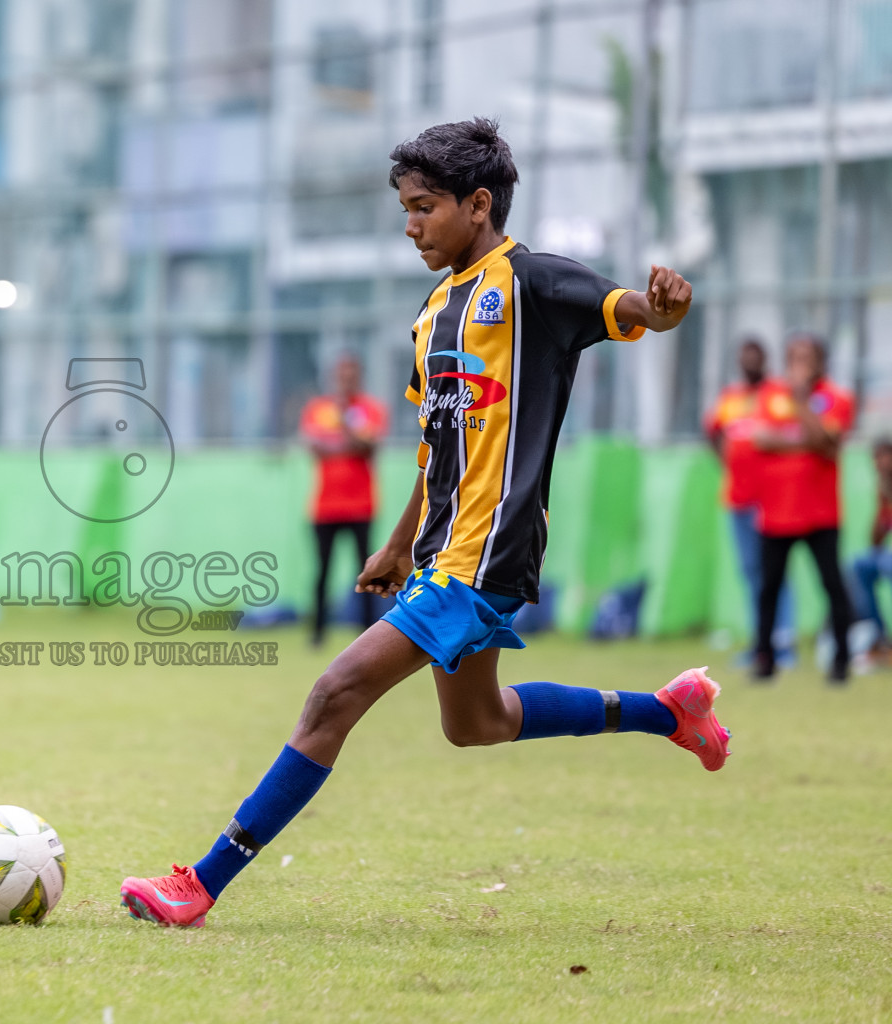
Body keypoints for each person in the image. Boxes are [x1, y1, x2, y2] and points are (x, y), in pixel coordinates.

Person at [119, 118, 728, 929]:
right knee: (478, 723)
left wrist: (664, 308)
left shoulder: (538, 285)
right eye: (405, 208)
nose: (410, 225)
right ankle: (669, 712)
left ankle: (200, 882)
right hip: (442, 552)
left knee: (333, 694)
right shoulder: (435, 311)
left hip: (487, 555)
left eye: (425, 208)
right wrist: (403, 539)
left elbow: (636, 312)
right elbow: (437, 446)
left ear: (479, 204)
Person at [751, 334, 856, 683]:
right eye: (793, 356)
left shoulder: (837, 398)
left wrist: (800, 405)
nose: (798, 363)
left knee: (832, 585)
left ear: (820, 361)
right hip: (776, 512)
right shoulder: (770, 394)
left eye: (806, 357)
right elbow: (761, 437)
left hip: (820, 513)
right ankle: (764, 661)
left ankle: (841, 662)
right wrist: (804, 438)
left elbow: (828, 445)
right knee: (769, 588)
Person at [704, 339, 795, 664]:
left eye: (755, 356)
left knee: (775, 571)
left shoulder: (779, 394)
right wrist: (727, 460)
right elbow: (712, 430)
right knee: (751, 571)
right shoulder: (731, 398)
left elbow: (793, 433)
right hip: (738, 499)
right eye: (744, 356)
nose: (749, 362)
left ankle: (783, 644)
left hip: (771, 499)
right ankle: (762, 643)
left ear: (764, 360)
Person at [300, 355, 389, 645]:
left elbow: (369, 446)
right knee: (322, 570)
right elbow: (315, 446)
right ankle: (317, 633)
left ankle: (368, 632)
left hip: (361, 506)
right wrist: (349, 443)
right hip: (325, 507)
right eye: (342, 374)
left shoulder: (369, 409)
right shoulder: (318, 408)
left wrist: (346, 428)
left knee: (365, 571)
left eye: (351, 374)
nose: (346, 379)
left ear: (359, 377)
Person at [848, 439, 892, 658]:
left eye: (884, 456)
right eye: (875, 458)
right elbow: (877, 540)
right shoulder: (885, 489)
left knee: (887, 563)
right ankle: (879, 637)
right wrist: (882, 501)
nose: (879, 463)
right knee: (860, 564)